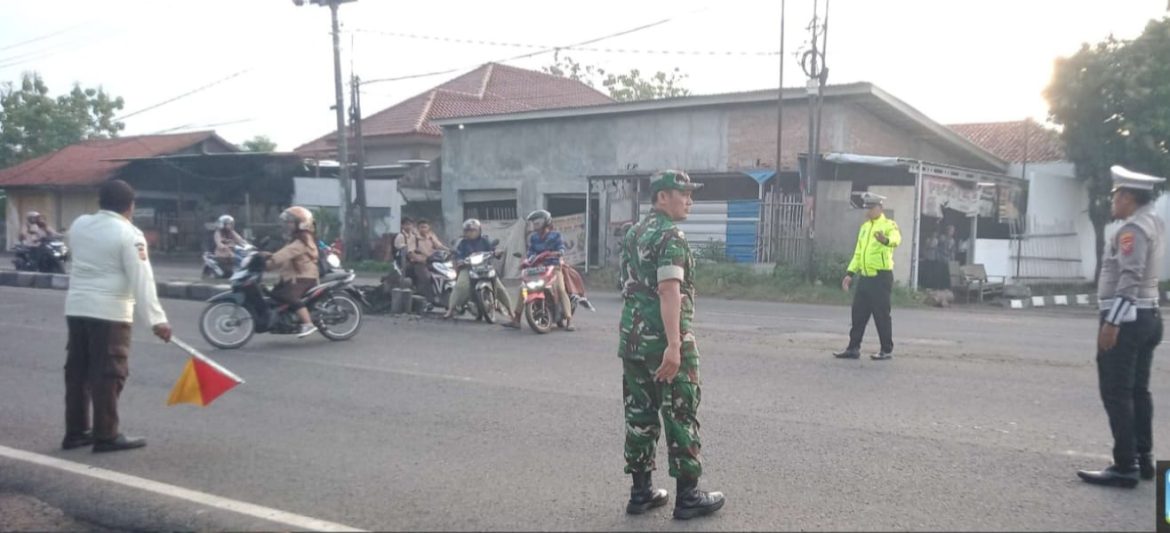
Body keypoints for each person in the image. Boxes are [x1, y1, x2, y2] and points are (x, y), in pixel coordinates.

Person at [617, 170, 724, 520]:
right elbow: (668, 290)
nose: (690, 200)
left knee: (639, 415)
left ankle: (641, 492)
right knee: (680, 412)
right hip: (663, 341)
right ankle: (688, 497)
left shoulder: (634, 233)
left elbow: (630, 283)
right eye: (683, 193)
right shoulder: (671, 236)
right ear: (662, 197)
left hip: (633, 341)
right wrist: (675, 345)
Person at [62, 180, 171, 453]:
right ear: (131, 206)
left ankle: (76, 432)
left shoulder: (79, 225)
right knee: (109, 374)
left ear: (100, 202)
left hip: (76, 308)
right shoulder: (129, 234)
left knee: (78, 372)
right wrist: (157, 321)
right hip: (109, 313)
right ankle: (106, 435)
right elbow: (142, 279)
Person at [1077, 165, 1165, 489]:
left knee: (1116, 391)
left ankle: (1124, 465)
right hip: (1149, 316)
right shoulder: (1153, 220)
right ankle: (1143, 459)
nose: (1112, 201)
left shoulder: (1132, 230)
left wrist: (1112, 322)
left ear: (1127, 196)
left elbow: (1130, 277)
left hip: (1128, 318)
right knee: (1138, 390)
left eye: (1115, 195)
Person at [834, 192, 902, 361]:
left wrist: (885, 240)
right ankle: (853, 348)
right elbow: (858, 253)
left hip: (881, 277)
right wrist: (850, 274)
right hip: (865, 277)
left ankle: (886, 350)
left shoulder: (888, 224)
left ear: (880, 208)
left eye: (871, 208)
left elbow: (896, 239)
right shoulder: (865, 227)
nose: (868, 212)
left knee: (881, 315)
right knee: (858, 313)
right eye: (867, 209)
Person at [503, 209, 574, 332]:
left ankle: (569, 320)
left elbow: (561, 247)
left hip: (553, 267)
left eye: (538, 221)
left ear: (545, 222)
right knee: (523, 288)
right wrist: (527, 260)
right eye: (534, 222)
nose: (535, 224)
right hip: (537, 268)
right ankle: (516, 319)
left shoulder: (555, 235)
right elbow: (531, 252)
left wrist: (559, 252)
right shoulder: (534, 237)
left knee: (561, 289)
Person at [262, 206, 320, 338]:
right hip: (293, 276)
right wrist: (266, 260)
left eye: (290, 222)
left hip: (305, 277)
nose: (287, 225)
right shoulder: (294, 239)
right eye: (287, 222)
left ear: (301, 224)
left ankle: (308, 323)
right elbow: (282, 256)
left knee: (288, 296)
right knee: (271, 290)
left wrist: (269, 261)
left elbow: (284, 254)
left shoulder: (302, 241)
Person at [443, 219, 513, 320]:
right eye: (467, 231)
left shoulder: (485, 240)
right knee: (460, 286)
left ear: (479, 230)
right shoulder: (462, 243)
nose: (470, 233)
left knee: (499, 287)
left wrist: (497, 252)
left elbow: (492, 249)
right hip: (468, 268)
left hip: (485, 267)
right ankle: (451, 309)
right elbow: (458, 254)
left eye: (473, 230)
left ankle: (511, 312)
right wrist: (459, 260)